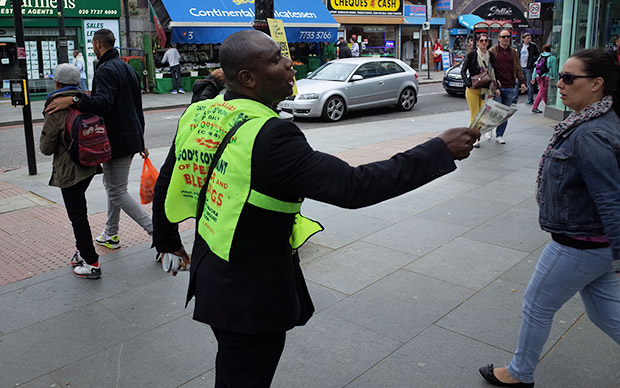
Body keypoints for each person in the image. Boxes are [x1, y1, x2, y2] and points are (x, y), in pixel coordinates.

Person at [152, 29, 479, 388]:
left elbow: (168, 178)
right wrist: (438, 150)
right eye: (276, 60)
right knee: (244, 375)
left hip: (211, 272)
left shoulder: (202, 113)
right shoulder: (272, 135)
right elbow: (355, 187)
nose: (290, 64)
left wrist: (167, 241)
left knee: (236, 365)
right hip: (249, 296)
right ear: (248, 78)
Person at [479, 49, 620, 388]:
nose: (560, 83)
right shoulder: (597, 121)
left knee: (537, 305)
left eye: (570, 78)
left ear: (597, 84)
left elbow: (611, 199)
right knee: (606, 315)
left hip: (580, 244)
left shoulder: (591, 134)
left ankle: (518, 373)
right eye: (561, 75)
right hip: (596, 247)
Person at [45, 28, 152, 250]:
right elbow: (136, 108)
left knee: (116, 190)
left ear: (96, 44)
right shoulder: (126, 68)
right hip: (129, 137)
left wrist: (73, 100)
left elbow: (102, 103)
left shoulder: (105, 69)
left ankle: (157, 233)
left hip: (116, 139)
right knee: (114, 186)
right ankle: (111, 233)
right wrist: (139, 138)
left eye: (93, 45)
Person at [39, 64, 102, 279]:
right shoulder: (86, 100)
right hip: (90, 163)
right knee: (79, 212)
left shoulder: (56, 107)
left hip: (69, 170)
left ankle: (91, 262)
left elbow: (46, 148)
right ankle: (81, 253)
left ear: (56, 83)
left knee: (78, 216)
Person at [461, 33, 499, 147]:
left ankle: (475, 134)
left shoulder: (491, 56)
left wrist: (496, 87)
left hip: (486, 89)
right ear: (477, 42)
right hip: (473, 89)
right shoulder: (472, 55)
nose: (483, 42)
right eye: (481, 40)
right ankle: (474, 139)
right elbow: (463, 71)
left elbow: (494, 72)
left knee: (483, 116)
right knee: (475, 115)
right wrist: (468, 83)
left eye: (486, 40)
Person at [488, 30, 526, 144]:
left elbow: (518, 67)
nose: (506, 39)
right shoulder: (493, 51)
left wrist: (522, 81)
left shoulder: (513, 52)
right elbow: (489, 69)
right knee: (496, 111)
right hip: (497, 87)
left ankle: (499, 135)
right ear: (499, 38)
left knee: (504, 114)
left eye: (508, 37)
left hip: (510, 86)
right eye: (503, 37)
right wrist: (493, 83)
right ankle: (489, 128)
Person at [531, 44, 556, 114]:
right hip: (546, 77)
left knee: (544, 92)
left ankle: (547, 105)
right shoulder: (552, 58)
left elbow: (536, 68)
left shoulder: (540, 57)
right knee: (542, 91)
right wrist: (555, 78)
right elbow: (554, 69)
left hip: (538, 76)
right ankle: (535, 107)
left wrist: (533, 77)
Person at [516, 33, 540, 105]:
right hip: (520, 67)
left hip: (528, 67)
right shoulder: (520, 46)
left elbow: (537, 55)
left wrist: (532, 62)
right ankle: (514, 98)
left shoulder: (533, 46)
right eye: (527, 39)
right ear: (523, 39)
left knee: (529, 84)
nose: (529, 40)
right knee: (517, 83)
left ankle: (530, 99)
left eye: (530, 38)